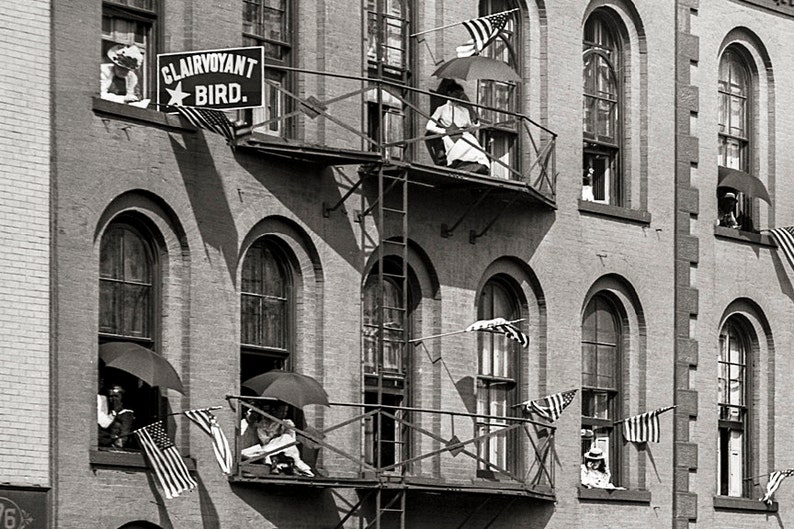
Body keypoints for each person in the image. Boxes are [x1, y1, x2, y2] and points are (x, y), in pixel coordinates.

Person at [425, 81, 490, 175]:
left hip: (465, 134)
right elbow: (429, 126)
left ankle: (476, 166)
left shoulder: (464, 110)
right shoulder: (442, 109)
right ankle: (462, 164)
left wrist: (475, 123)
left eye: (460, 95)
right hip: (451, 136)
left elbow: (470, 128)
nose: (459, 97)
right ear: (449, 93)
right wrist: (445, 131)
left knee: (474, 147)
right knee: (462, 146)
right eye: (456, 94)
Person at [241, 418, 314, 477]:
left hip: (285, 448)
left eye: (284, 411)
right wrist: (275, 438)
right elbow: (264, 439)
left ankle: (293, 466)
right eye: (281, 410)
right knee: (281, 443)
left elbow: (291, 436)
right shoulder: (263, 423)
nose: (282, 413)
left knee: (287, 441)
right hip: (271, 446)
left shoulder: (287, 423)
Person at [98, 385, 135, 449]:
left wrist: (120, 442)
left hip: (115, 446)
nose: (112, 399)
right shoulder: (107, 411)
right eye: (111, 396)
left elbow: (125, 433)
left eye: (116, 396)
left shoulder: (126, 413)